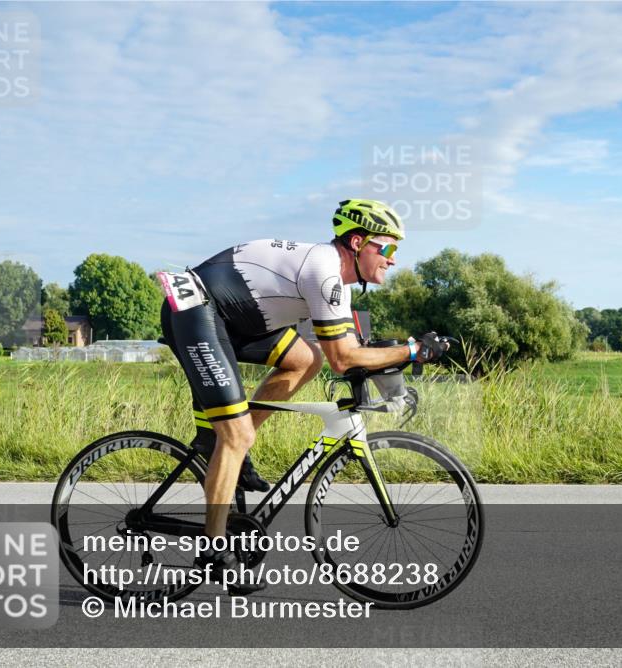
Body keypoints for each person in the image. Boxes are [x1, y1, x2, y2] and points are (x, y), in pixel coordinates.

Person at [158, 199, 450, 594]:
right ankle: (214, 552)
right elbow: (344, 360)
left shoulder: (336, 283)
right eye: (387, 248)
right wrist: (413, 352)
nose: (393, 260)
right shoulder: (325, 273)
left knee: (305, 359)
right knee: (237, 434)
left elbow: (345, 352)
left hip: (235, 316)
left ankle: (229, 445)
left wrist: (392, 369)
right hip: (195, 311)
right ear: (358, 242)